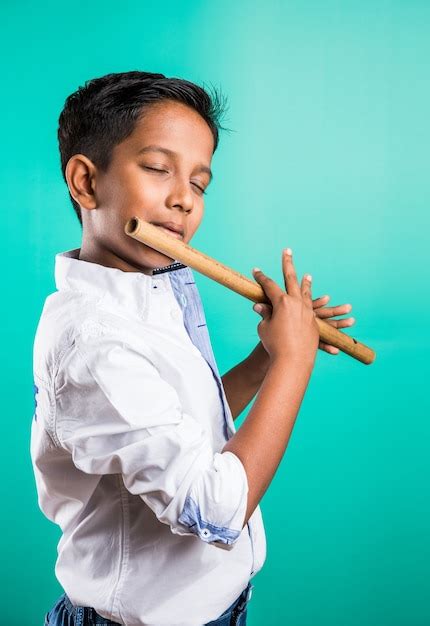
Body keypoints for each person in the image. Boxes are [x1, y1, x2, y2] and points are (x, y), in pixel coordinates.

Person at [31, 70, 353, 626]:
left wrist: (266, 360)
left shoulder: (151, 290)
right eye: (158, 169)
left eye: (199, 184)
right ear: (85, 182)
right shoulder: (95, 343)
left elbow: (185, 426)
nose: (183, 200)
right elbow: (215, 508)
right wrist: (295, 365)